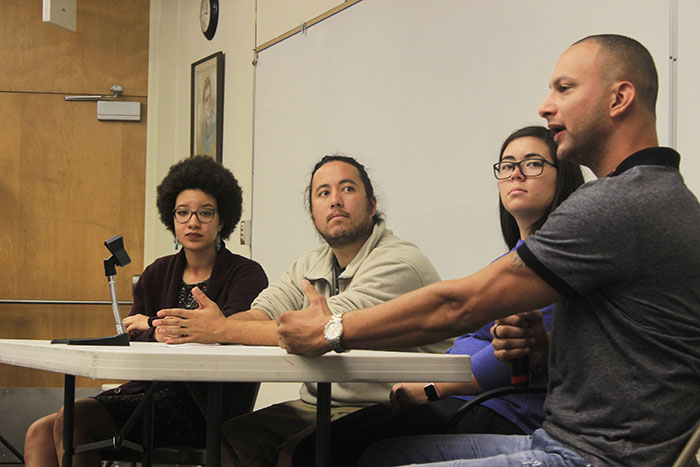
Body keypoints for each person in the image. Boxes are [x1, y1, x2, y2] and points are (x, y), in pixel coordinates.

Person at [277, 34, 700, 467]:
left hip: (597, 458)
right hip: (561, 440)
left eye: (564, 88)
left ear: (619, 98)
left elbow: (459, 305)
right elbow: (640, 355)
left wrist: (332, 329)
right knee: (376, 455)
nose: (546, 105)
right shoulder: (658, 195)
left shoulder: (617, 203)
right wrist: (545, 348)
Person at [286, 126, 585, 467]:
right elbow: (465, 339)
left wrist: (428, 388)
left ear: (562, 178)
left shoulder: (554, 261)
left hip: (502, 407)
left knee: (332, 453)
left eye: (532, 164)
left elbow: (493, 349)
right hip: (467, 397)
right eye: (506, 165)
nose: (516, 174)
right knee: (316, 448)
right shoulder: (508, 262)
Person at [154, 154, 450, 466]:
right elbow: (264, 311)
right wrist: (213, 323)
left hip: (392, 403)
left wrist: (222, 329)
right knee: (231, 440)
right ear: (312, 215)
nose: (335, 201)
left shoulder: (399, 262)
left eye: (347, 189)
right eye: (323, 193)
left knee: (298, 452)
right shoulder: (310, 262)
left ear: (372, 205)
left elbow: (321, 328)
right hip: (318, 402)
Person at [23, 155, 269, 467]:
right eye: (183, 213)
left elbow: (228, 333)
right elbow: (133, 336)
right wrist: (151, 329)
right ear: (173, 220)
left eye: (205, 213)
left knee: (75, 417)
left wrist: (152, 323)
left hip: (204, 405)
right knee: (38, 432)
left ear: (223, 220)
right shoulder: (157, 272)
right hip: (146, 393)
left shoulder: (245, 274)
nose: (193, 222)